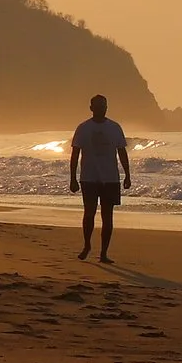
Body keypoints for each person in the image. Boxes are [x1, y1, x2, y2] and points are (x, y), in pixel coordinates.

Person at [67, 93, 131, 263]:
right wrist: (73, 178)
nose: (102, 109)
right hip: (89, 177)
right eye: (98, 106)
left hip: (110, 178)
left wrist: (127, 175)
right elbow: (75, 154)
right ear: (91, 108)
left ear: (107, 107)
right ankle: (87, 245)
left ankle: (104, 253)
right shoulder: (83, 128)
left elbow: (122, 152)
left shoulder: (115, 128)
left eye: (104, 106)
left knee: (107, 216)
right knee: (89, 213)